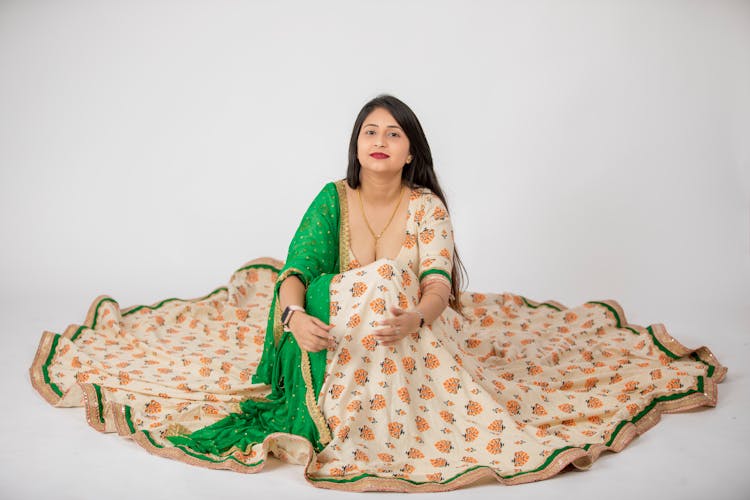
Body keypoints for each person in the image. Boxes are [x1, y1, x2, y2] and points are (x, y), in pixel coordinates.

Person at [29, 94, 726, 492]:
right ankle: (344, 408)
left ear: (411, 149)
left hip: (413, 333)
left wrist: (415, 319)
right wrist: (296, 319)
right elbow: (295, 271)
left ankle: (389, 425)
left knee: (390, 283)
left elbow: (434, 286)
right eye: (371, 131)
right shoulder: (332, 200)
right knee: (365, 283)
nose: (381, 140)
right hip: (327, 335)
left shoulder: (426, 207)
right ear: (356, 144)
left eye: (394, 133)